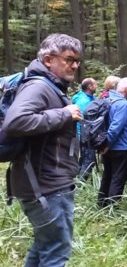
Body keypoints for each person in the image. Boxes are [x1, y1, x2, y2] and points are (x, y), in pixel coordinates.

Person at [3, 34, 83, 266]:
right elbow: (16, 122)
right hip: (46, 187)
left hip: (46, 183)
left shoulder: (50, 87)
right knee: (56, 252)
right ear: (48, 59)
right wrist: (64, 114)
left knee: (44, 246)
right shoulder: (38, 87)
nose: (75, 65)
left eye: (77, 60)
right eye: (69, 59)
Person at [98, 77, 127, 207]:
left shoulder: (105, 99)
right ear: (126, 89)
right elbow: (116, 127)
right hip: (118, 146)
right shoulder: (123, 104)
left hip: (105, 145)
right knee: (118, 177)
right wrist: (107, 144)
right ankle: (112, 207)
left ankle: (101, 203)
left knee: (107, 174)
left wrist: (102, 145)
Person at [73, 77, 97, 180]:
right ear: (89, 86)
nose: (97, 86)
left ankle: (76, 182)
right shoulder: (83, 101)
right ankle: (80, 185)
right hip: (84, 134)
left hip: (85, 134)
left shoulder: (90, 98)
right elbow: (83, 120)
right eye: (95, 84)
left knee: (84, 159)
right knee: (89, 160)